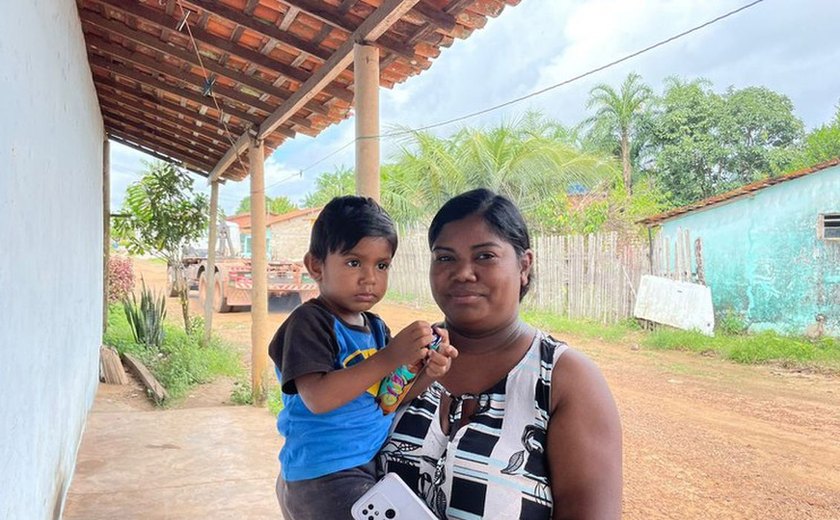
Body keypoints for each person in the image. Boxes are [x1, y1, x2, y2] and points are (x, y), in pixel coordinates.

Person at [379, 189, 622, 519]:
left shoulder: (564, 379)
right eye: (445, 257)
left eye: (485, 256)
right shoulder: (405, 355)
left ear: (524, 265)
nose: (463, 272)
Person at [269, 196, 457, 520]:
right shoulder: (309, 323)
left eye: (381, 265)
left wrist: (428, 371)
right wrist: (390, 356)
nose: (370, 277)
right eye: (354, 262)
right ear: (316, 266)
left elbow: (389, 398)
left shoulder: (375, 328)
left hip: (358, 466)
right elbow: (318, 398)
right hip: (324, 474)